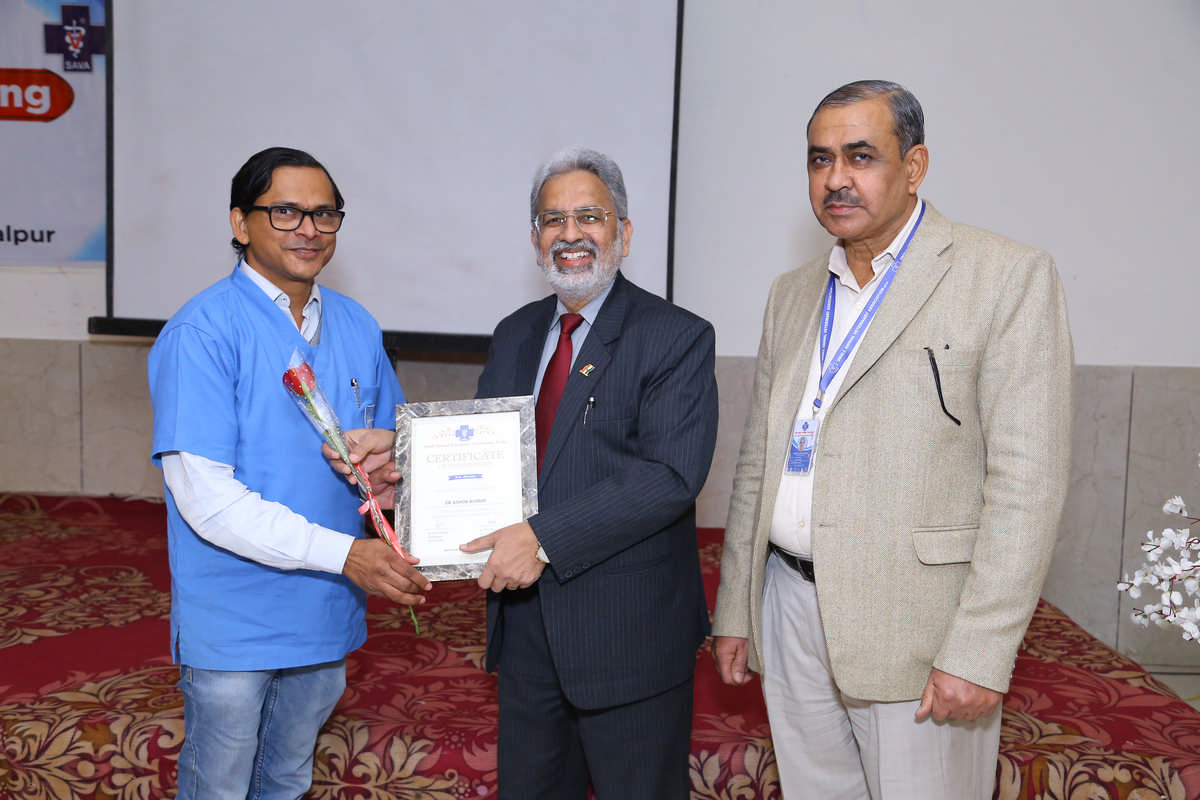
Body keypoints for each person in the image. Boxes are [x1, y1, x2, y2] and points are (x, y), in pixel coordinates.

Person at [711, 80, 1073, 799]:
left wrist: (978, 651)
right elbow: (758, 460)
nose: (836, 179)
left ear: (914, 167)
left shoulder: (1004, 276)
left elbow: (1027, 486)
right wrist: (737, 607)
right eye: (820, 159)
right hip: (789, 608)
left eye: (860, 156)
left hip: (919, 628)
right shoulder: (793, 292)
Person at [337, 147, 718, 799]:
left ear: (624, 233)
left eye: (589, 216)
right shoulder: (516, 332)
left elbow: (669, 476)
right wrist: (406, 464)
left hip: (627, 636)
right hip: (525, 633)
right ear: (535, 238)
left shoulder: (675, 336)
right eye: (552, 220)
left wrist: (541, 539)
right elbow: (491, 457)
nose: (570, 234)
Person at [147, 146, 431, 800]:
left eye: (324, 214)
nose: (308, 229)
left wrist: (399, 474)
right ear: (240, 223)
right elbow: (207, 501)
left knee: (286, 780)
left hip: (326, 610)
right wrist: (347, 557)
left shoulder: (357, 325)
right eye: (285, 212)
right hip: (235, 619)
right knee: (219, 788)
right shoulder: (202, 332)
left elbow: (391, 460)